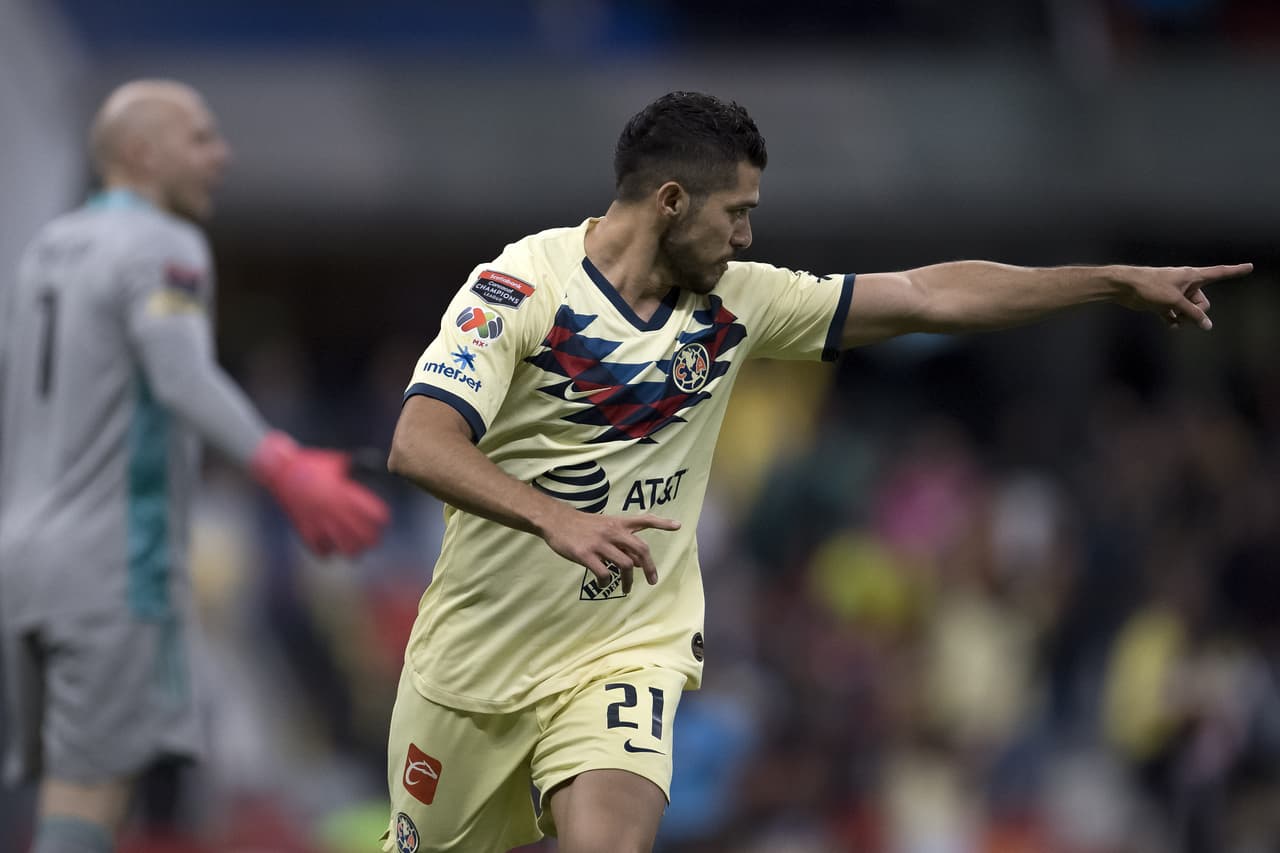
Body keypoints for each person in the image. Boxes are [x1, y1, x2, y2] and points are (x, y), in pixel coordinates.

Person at [382, 90, 1251, 853]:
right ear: (671, 200)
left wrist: (1107, 282)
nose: (748, 235)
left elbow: (925, 297)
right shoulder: (519, 286)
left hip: (623, 650)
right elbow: (418, 442)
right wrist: (554, 516)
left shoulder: (739, 302)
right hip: (473, 663)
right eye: (736, 211)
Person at [0, 79, 391, 852]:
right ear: (142, 152)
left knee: (65, 792)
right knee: (94, 794)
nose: (223, 154)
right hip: (112, 550)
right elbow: (179, 374)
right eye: (202, 138)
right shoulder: (164, 243)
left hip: (25, 547)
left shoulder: (46, 248)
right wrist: (282, 464)